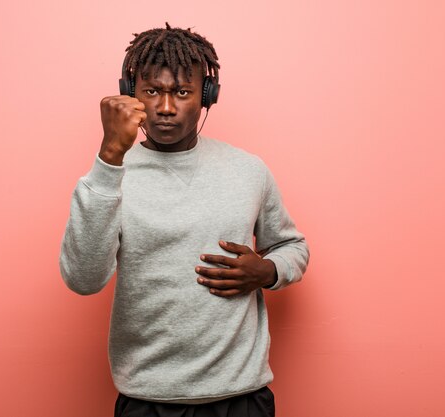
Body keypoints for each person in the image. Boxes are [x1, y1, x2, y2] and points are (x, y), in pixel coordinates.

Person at [59, 22, 310, 417]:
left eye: (182, 92)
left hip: (242, 397)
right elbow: (83, 279)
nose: (165, 108)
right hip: (147, 400)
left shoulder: (248, 169)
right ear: (130, 94)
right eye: (152, 91)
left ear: (206, 96)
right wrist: (109, 156)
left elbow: (291, 246)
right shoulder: (109, 176)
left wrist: (267, 270)